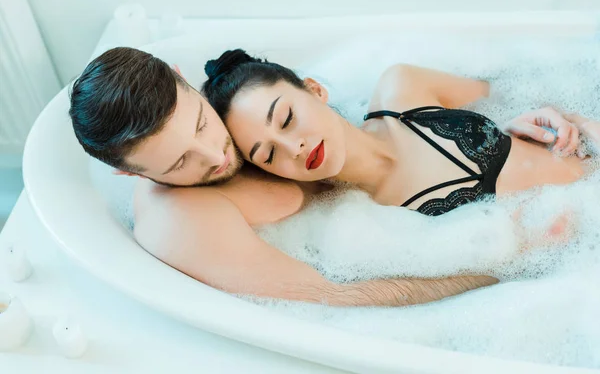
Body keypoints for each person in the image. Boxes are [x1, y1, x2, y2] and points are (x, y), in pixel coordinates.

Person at [68, 47, 583, 307]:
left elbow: (514, 90)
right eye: (181, 163)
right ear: (127, 172)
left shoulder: (394, 94)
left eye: (203, 124)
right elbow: (331, 298)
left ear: (183, 79)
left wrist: (507, 124)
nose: (216, 155)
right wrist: (510, 262)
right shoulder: (181, 217)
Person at [201, 49, 595, 218]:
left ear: (314, 89)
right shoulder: (364, 226)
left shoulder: (402, 88)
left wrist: (548, 116)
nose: (293, 147)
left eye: (286, 119)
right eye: (268, 155)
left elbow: (516, 90)